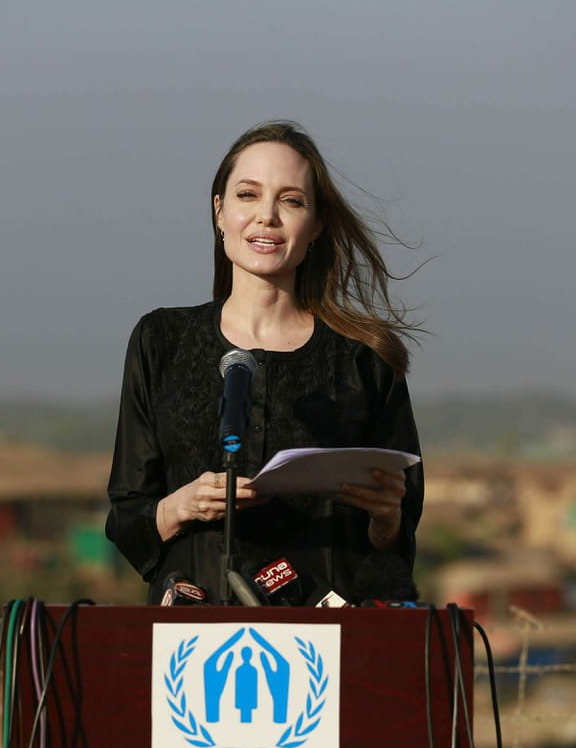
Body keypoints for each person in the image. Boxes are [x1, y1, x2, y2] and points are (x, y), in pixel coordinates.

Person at [106, 120, 423, 605]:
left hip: (324, 634)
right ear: (219, 211)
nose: (267, 216)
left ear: (316, 224)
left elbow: (397, 545)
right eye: (248, 195)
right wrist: (181, 506)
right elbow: (127, 516)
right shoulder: (161, 339)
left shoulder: (366, 356)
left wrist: (386, 519)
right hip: (191, 631)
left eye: (291, 201)